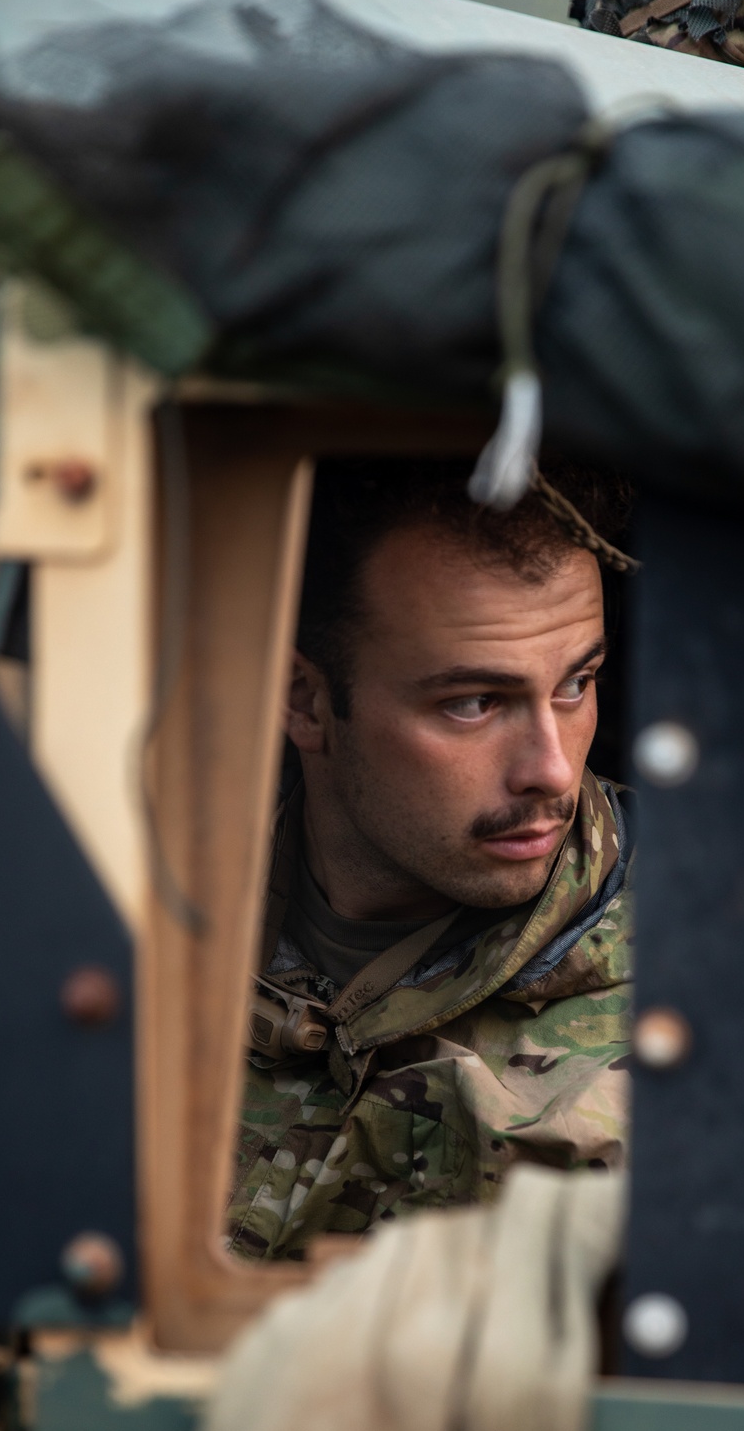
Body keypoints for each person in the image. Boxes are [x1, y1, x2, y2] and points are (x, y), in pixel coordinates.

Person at [227, 458, 634, 1261]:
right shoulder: (139, 933)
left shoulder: (736, 972)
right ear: (305, 701)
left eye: (576, 683)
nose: (551, 769)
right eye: (473, 703)